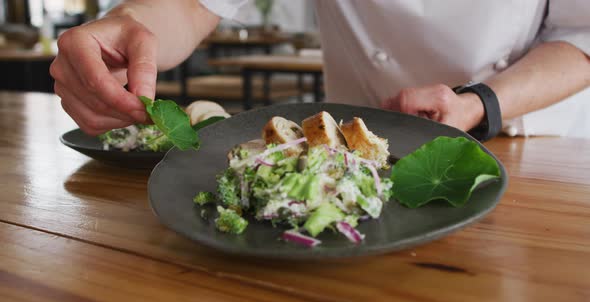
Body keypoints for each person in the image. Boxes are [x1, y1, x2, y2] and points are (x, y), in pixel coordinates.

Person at [50, 0, 590, 139]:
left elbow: (581, 32)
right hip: (363, 144)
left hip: (531, 136)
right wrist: (126, 22)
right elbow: (192, 5)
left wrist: (476, 104)